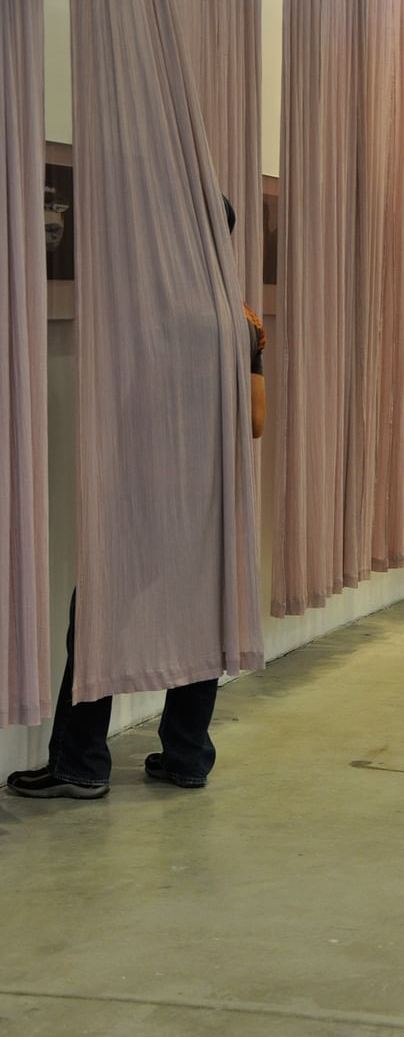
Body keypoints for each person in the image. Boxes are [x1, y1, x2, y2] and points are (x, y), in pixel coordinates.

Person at [7, 197, 265, 799]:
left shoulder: (162, 311)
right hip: (210, 495)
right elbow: (255, 420)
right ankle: (187, 757)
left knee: (97, 613)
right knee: (201, 612)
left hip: (150, 489)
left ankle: (80, 763)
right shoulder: (241, 317)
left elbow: (138, 409)